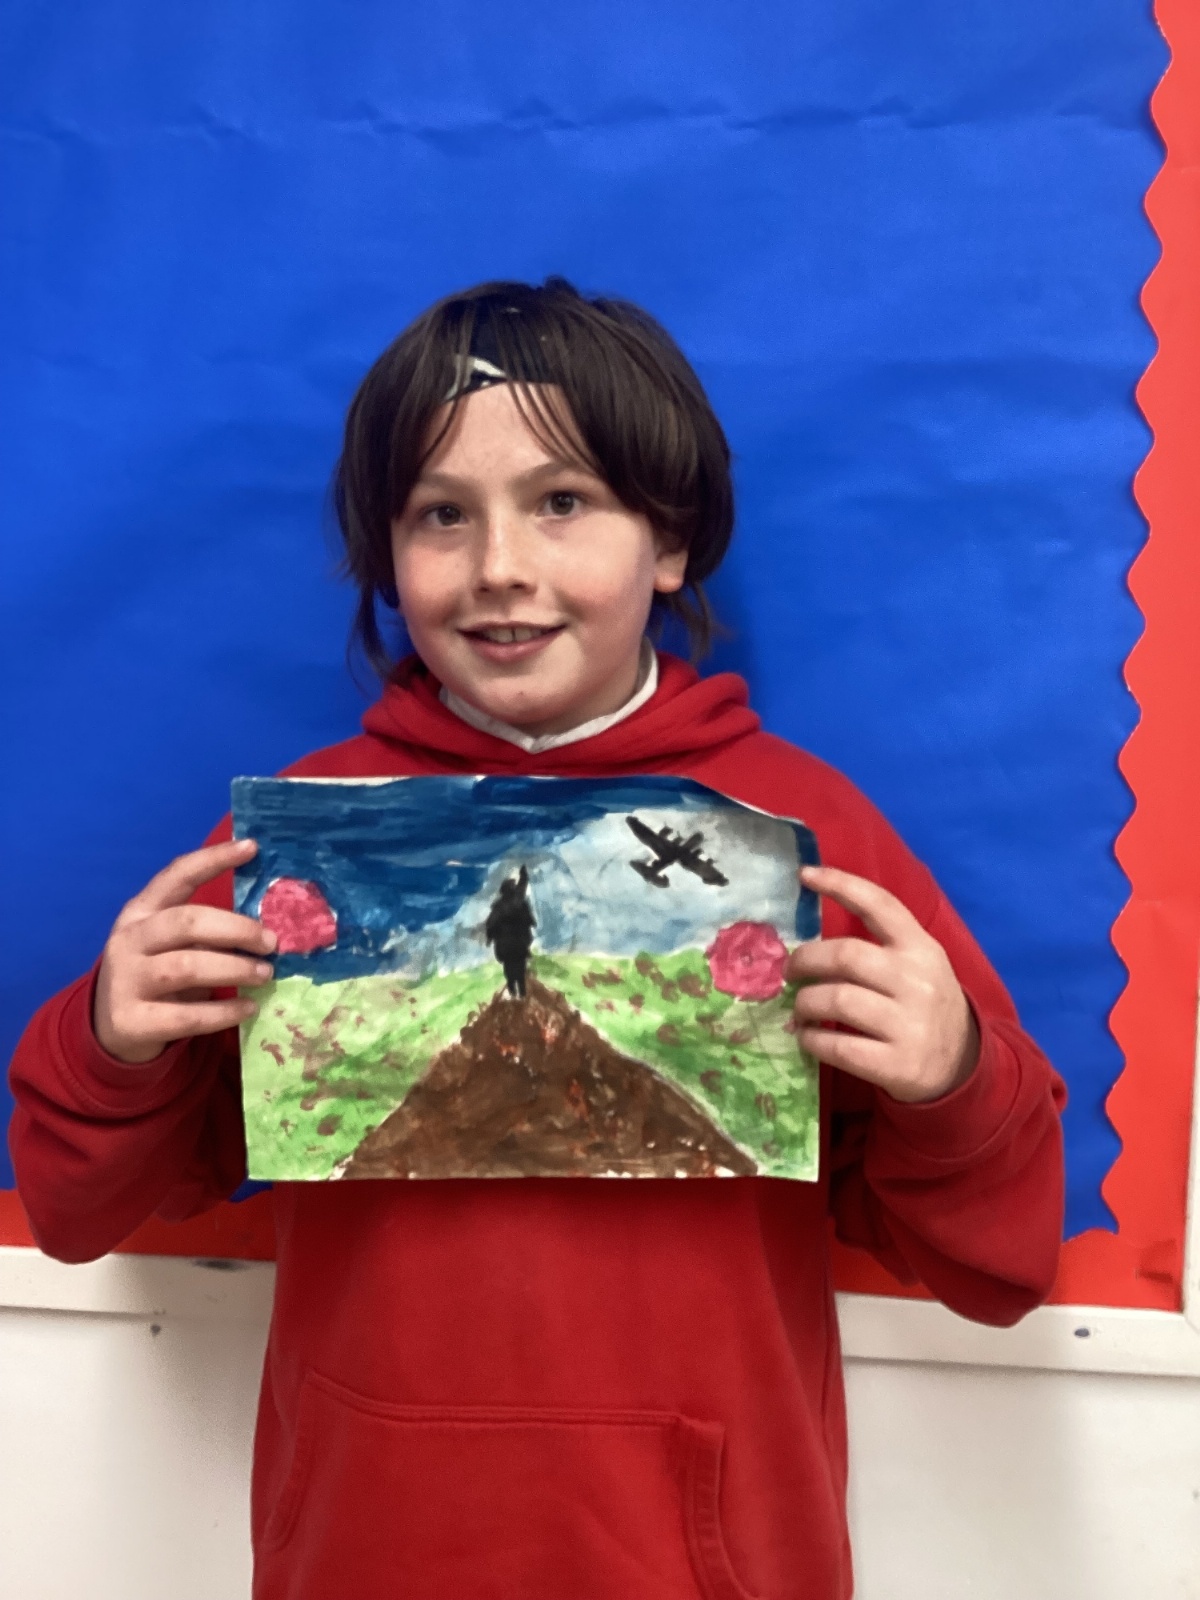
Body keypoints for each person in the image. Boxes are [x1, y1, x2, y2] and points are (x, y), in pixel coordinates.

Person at [7, 278, 1066, 1600]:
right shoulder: (304, 842)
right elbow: (77, 1208)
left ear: (669, 542)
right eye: (441, 514)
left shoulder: (807, 836)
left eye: (562, 501)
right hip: (364, 1549)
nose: (499, 566)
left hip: (707, 1562)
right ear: (388, 554)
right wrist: (112, 1041)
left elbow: (1000, 1264)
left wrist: (954, 1077)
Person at [485, 865, 536, 997]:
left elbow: (490, 924)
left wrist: (490, 936)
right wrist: (523, 874)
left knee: (511, 972)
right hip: (516, 943)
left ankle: (515, 993)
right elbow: (522, 886)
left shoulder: (500, 906)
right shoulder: (517, 900)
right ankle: (519, 994)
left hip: (508, 945)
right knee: (518, 970)